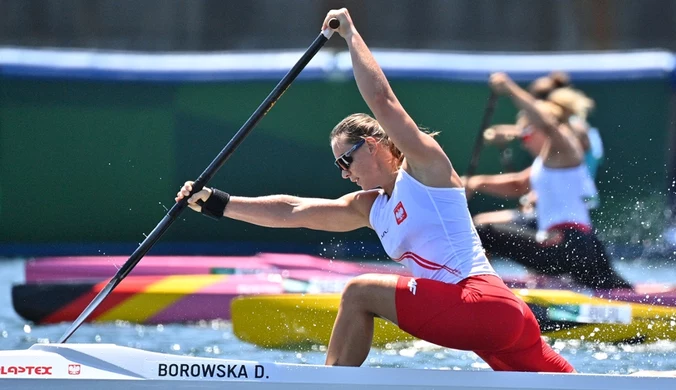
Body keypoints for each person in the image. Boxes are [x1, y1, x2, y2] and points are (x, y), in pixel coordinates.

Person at [175, 8, 574, 373]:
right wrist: (215, 202)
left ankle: (329, 383)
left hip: (482, 302)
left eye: (344, 161)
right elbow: (292, 211)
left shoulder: (426, 169)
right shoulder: (370, 208)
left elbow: (384, 103)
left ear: (372, 144)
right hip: (499, 321)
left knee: (360, 290)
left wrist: (350, 35)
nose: (343, 173)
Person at [465, 72, 631, 290]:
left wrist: (509, 87)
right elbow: (518, 185)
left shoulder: (565, 147)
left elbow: (546, 123)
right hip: (577, 246)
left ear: (541, 131)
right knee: (620, 293)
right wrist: (473, 183)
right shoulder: (544, 163)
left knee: (482, 230)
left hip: (568, 244)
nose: (524, 143)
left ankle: (483, 290)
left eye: (526, 136)